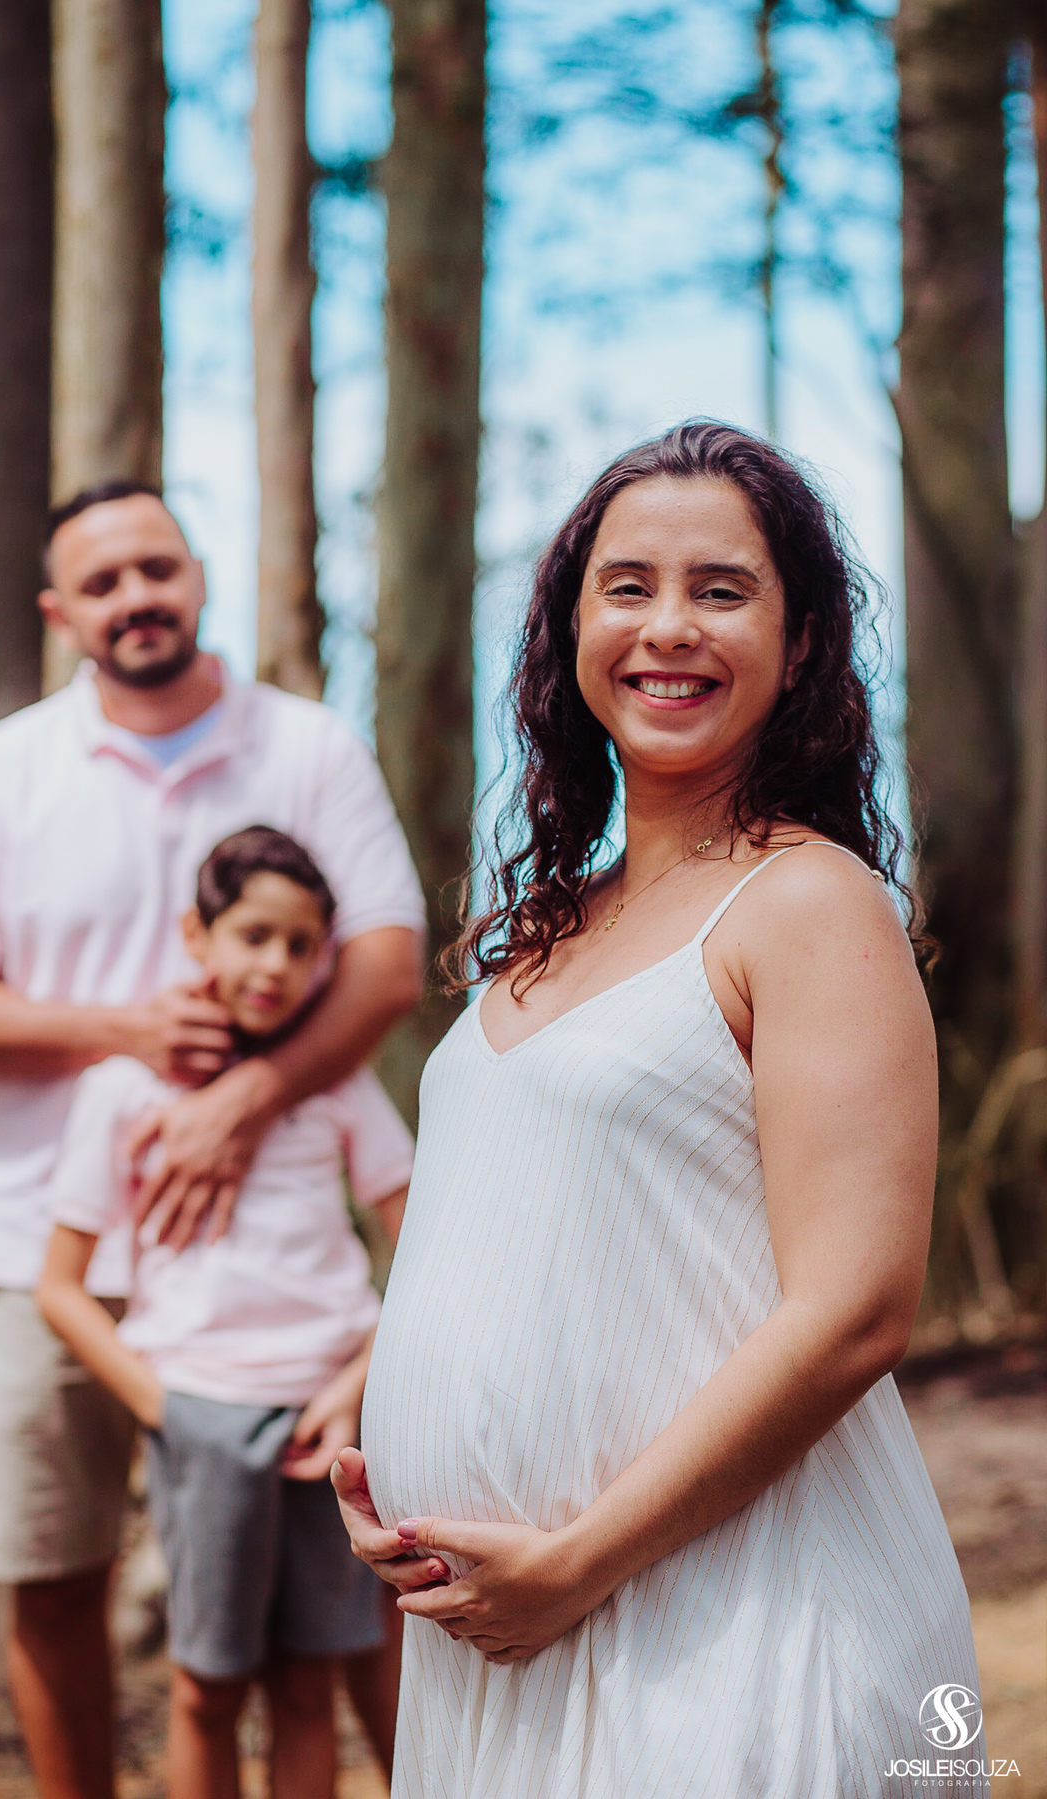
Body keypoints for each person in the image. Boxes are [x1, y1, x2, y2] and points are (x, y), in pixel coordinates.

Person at [332, 422, 981, 1799]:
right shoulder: (544, 927)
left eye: (722, 589)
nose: (666, 626)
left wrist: (574, 1561)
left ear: (801, 643)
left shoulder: (809, 903)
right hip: (505, 1628)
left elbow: (857, 1306)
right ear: (570, 626)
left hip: (722, 1617)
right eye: (626, 585)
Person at [0, 480, 424, 1799]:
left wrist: (249, 1096)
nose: (137, 596)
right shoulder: (1, 768)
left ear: (198, 575)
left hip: (279, 1283)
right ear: (59, 610)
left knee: (355, 1593)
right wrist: (129, 1034)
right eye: (104, 579)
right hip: (40, 1251)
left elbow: (387, 962)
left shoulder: (305, 747)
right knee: (55, 1573)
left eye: (157, 566)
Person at [38, 826, 412, 1799]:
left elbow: (423, 1250)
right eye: (253, 934)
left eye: (301, 944)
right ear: (195, 935)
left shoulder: (336, 1083)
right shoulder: (122, 1090)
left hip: (326, 1424)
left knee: (307, 1681)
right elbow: (60, 1288)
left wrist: (350, 1384)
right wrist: (170, 1411)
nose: (277, 964)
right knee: (206, 1685)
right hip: (201, 1415)